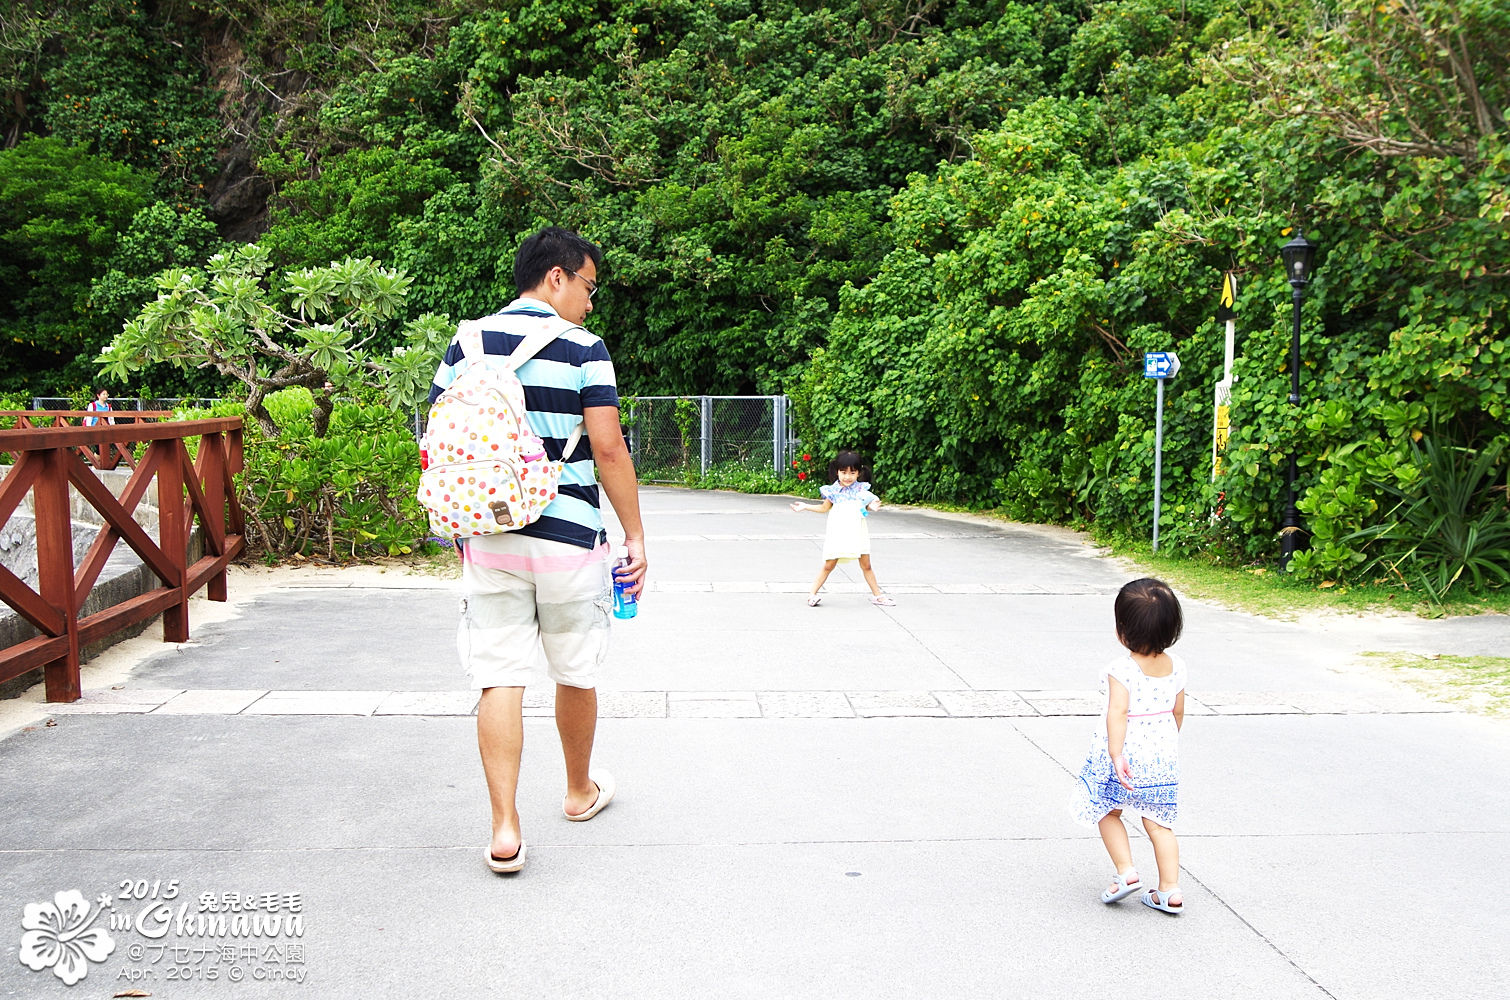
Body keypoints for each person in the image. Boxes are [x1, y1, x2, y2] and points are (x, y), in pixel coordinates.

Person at [427, 227, 647, 875]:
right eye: (588, 286)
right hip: (568, 538)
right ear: (556, 277)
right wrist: (634, 535)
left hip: (489, 534)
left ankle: (503, 828)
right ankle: (579, 792)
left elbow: (440, 436)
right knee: (575, 667)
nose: (589, 302)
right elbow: (608, 448)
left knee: (500, 674)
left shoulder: (464, 343)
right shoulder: (584, 349)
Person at [1071, 577, 1187, 914]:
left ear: (1122, 630)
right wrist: (1167, 743)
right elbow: (1178, 711)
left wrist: (1116, 753)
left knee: (1108, 810)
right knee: (1159, 822)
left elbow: (1117, 712)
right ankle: (1170, 889)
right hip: (1162, 757)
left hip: (1124, 755)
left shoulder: (1121, 669)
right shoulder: (1177, 666)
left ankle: (1126, 872)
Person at [788, 449, 894, 607]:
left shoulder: (861, 490)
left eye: (852, 472)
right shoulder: (833, 491)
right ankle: (812, 594)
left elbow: (868, 506)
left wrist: (873, 506)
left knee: (866, 565)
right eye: (843, 472)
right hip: (838, 532)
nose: (847, 477)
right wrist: (805, 506)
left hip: (858, 532)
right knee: (829, 564)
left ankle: (877, 595)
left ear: (858, 473)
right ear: (837, 472)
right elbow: (824, 508)